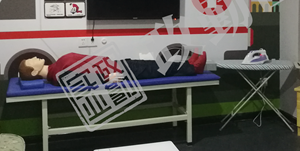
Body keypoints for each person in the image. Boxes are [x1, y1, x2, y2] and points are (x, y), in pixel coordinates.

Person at [19, 51, 207, 86]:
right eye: (30, 61)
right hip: (114, 72)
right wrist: (106, 79)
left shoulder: (55, 67)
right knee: (155, 69)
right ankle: (192, 68)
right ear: (34, 72)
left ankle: (188, 64)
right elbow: (80, 80)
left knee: (152, 65)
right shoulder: (57, 75)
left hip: (113, 64)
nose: (34, 58)